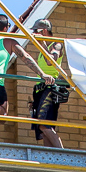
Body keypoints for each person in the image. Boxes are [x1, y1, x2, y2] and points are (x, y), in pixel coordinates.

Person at [29, 18, 68, 148]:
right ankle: (50, 156)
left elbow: (51, 61)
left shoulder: (56, 44)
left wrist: (42, 43)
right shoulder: (42, 49)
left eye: (37, 32)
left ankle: (62, 154)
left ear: (44, 31)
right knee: (42, 128)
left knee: (44, 124)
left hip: (50, 88)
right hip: (41, 89)